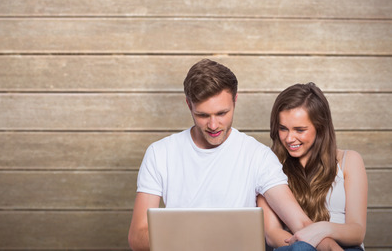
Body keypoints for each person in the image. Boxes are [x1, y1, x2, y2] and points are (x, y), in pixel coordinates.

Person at [128, 59, 330, 251]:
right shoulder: (160, 153)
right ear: (189, 105)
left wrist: (332, 247)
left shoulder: (258, 156)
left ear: (235, 99)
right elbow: (138, 237)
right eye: (203, 115)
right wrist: (202, 242)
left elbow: (300, 222)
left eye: (222, 113)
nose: (213, 125)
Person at [257, 83, 368, 250]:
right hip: (294, 247)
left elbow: (357, 232)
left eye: (299, 130)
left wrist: (322, 229)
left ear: (320, 127)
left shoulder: (350, 160)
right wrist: (314, 244)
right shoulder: (267, 164)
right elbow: (272, 234)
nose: (289, 138)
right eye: (283, 129)